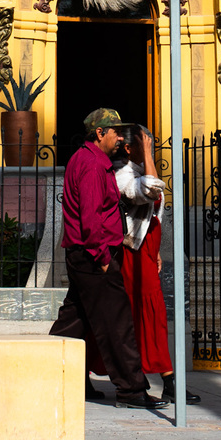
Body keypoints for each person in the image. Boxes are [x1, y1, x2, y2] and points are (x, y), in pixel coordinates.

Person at [50, 108, 164, 410]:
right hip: (93, 255)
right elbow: (91, 217)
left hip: (86, 254)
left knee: (73, 322)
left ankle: (50, 375)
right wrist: (102, 258)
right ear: (100, 133)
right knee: (117, 323)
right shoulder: (90, 165)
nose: (120, 139)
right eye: (116, 132)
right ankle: (131, 390)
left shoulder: (92, 161)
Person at [112, 125, 199, 405]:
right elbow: (150, 190)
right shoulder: (123, 175)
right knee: (150, 312)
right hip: (132, 254)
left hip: (147, 250)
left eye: (151, 143)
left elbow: (152, 214)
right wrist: (148, 155)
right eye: (145, 143)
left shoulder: (138, 171)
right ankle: (167, 380)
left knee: (148, 314)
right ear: (129, 148)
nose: (152, 147)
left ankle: (164, 380)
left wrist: (157, 250)